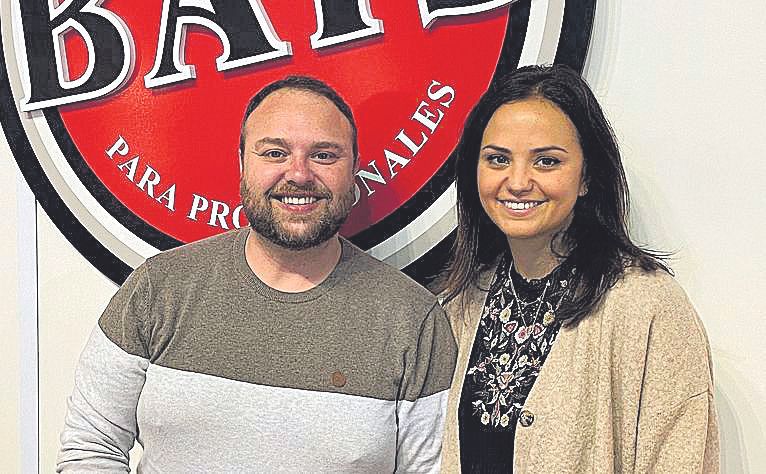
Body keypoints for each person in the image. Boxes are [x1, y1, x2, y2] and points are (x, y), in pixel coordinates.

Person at [57, 76, 457, 472]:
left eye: (324, 155)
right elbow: (91, 448)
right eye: (274, 153)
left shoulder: (412, 319)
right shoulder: (157, 289)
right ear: (242, 165)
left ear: (353, 173)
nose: (299, 174)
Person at [436, 65, 719, 472]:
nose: (517, 181)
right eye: (497, 159)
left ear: (587, 177)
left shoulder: (647, 306)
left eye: (546, 162)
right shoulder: (463, 302)